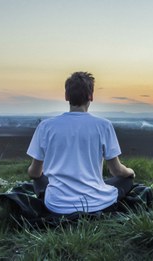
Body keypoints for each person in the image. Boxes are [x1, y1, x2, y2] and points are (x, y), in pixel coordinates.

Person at [26, 71, 135, 215]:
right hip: (96, 203)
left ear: (66, 96)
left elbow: (33, 173)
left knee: (38, 178)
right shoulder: (104, 125)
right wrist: (130, 172)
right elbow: (116, 171)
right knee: (126, 181)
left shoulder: (46, 126)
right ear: (91, 96)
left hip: (57, 205)